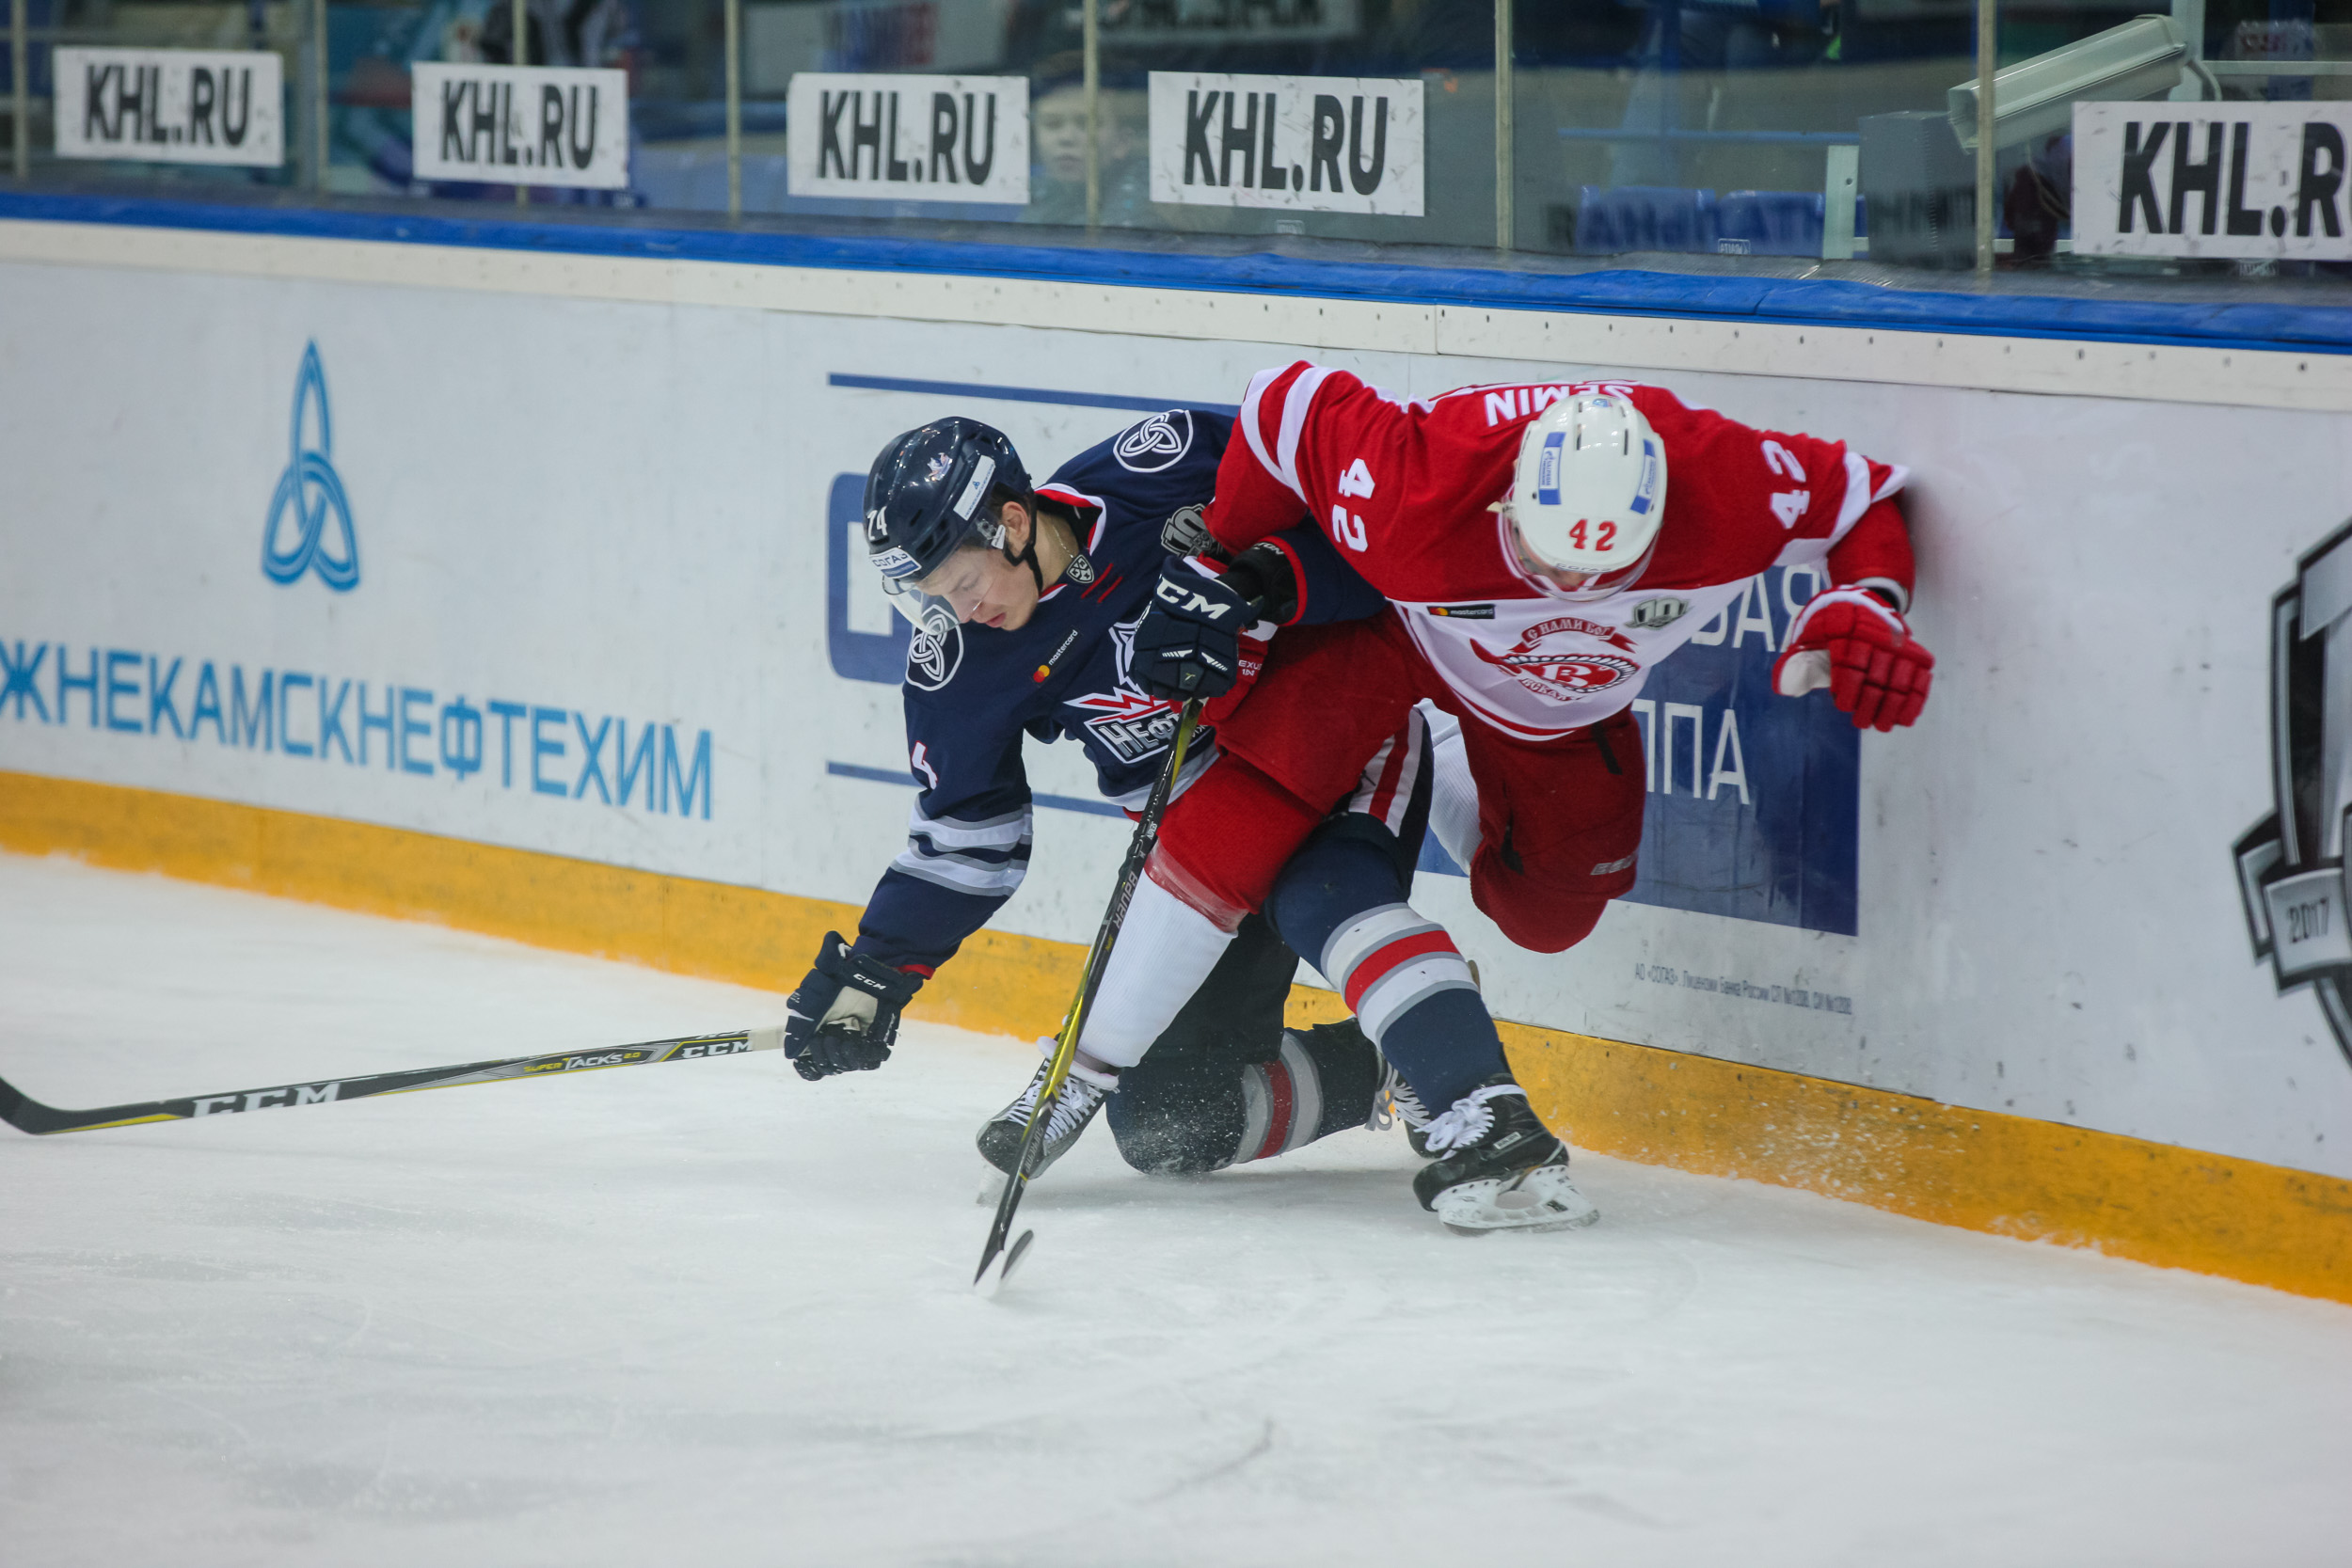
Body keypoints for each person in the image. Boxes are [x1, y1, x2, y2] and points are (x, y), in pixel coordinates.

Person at [1117, 367, 1934, 1226]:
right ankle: (1415, 1035)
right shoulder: (1427, 470)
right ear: (1508, 504)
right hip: (1389, 641)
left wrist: (1867, 597)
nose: (1570, 593)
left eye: (1604, 572)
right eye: (1549, 560)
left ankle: (1410, 1034)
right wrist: (1220, 555)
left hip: (1548, 709)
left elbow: (1863, 493)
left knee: (1547, 912)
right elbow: (1285, 402)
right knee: (1163, 1121)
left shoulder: (1721, 475)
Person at [783, 409, 1418, 1185]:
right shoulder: (961, 666)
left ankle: (1445, 1045)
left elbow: (1338, 499)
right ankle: (1388, 1058)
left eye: (965, 583)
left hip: (1329, 755)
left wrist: (1255, 579)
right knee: (1168, 1123)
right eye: (931, 595)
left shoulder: (1161, 473)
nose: (960, 612)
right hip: (1203, 854)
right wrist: (876, 971)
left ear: (1014, 522)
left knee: (1358, 897)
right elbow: (967, 839)